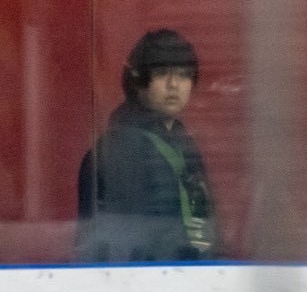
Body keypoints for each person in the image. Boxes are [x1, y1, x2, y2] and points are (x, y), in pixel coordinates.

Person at [76, 30, 221, 263]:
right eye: (162, 74)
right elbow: (130, 243)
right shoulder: (121, 148)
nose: (173, 85)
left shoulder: (183, 145)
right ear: (138, 80)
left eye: (184, 75)